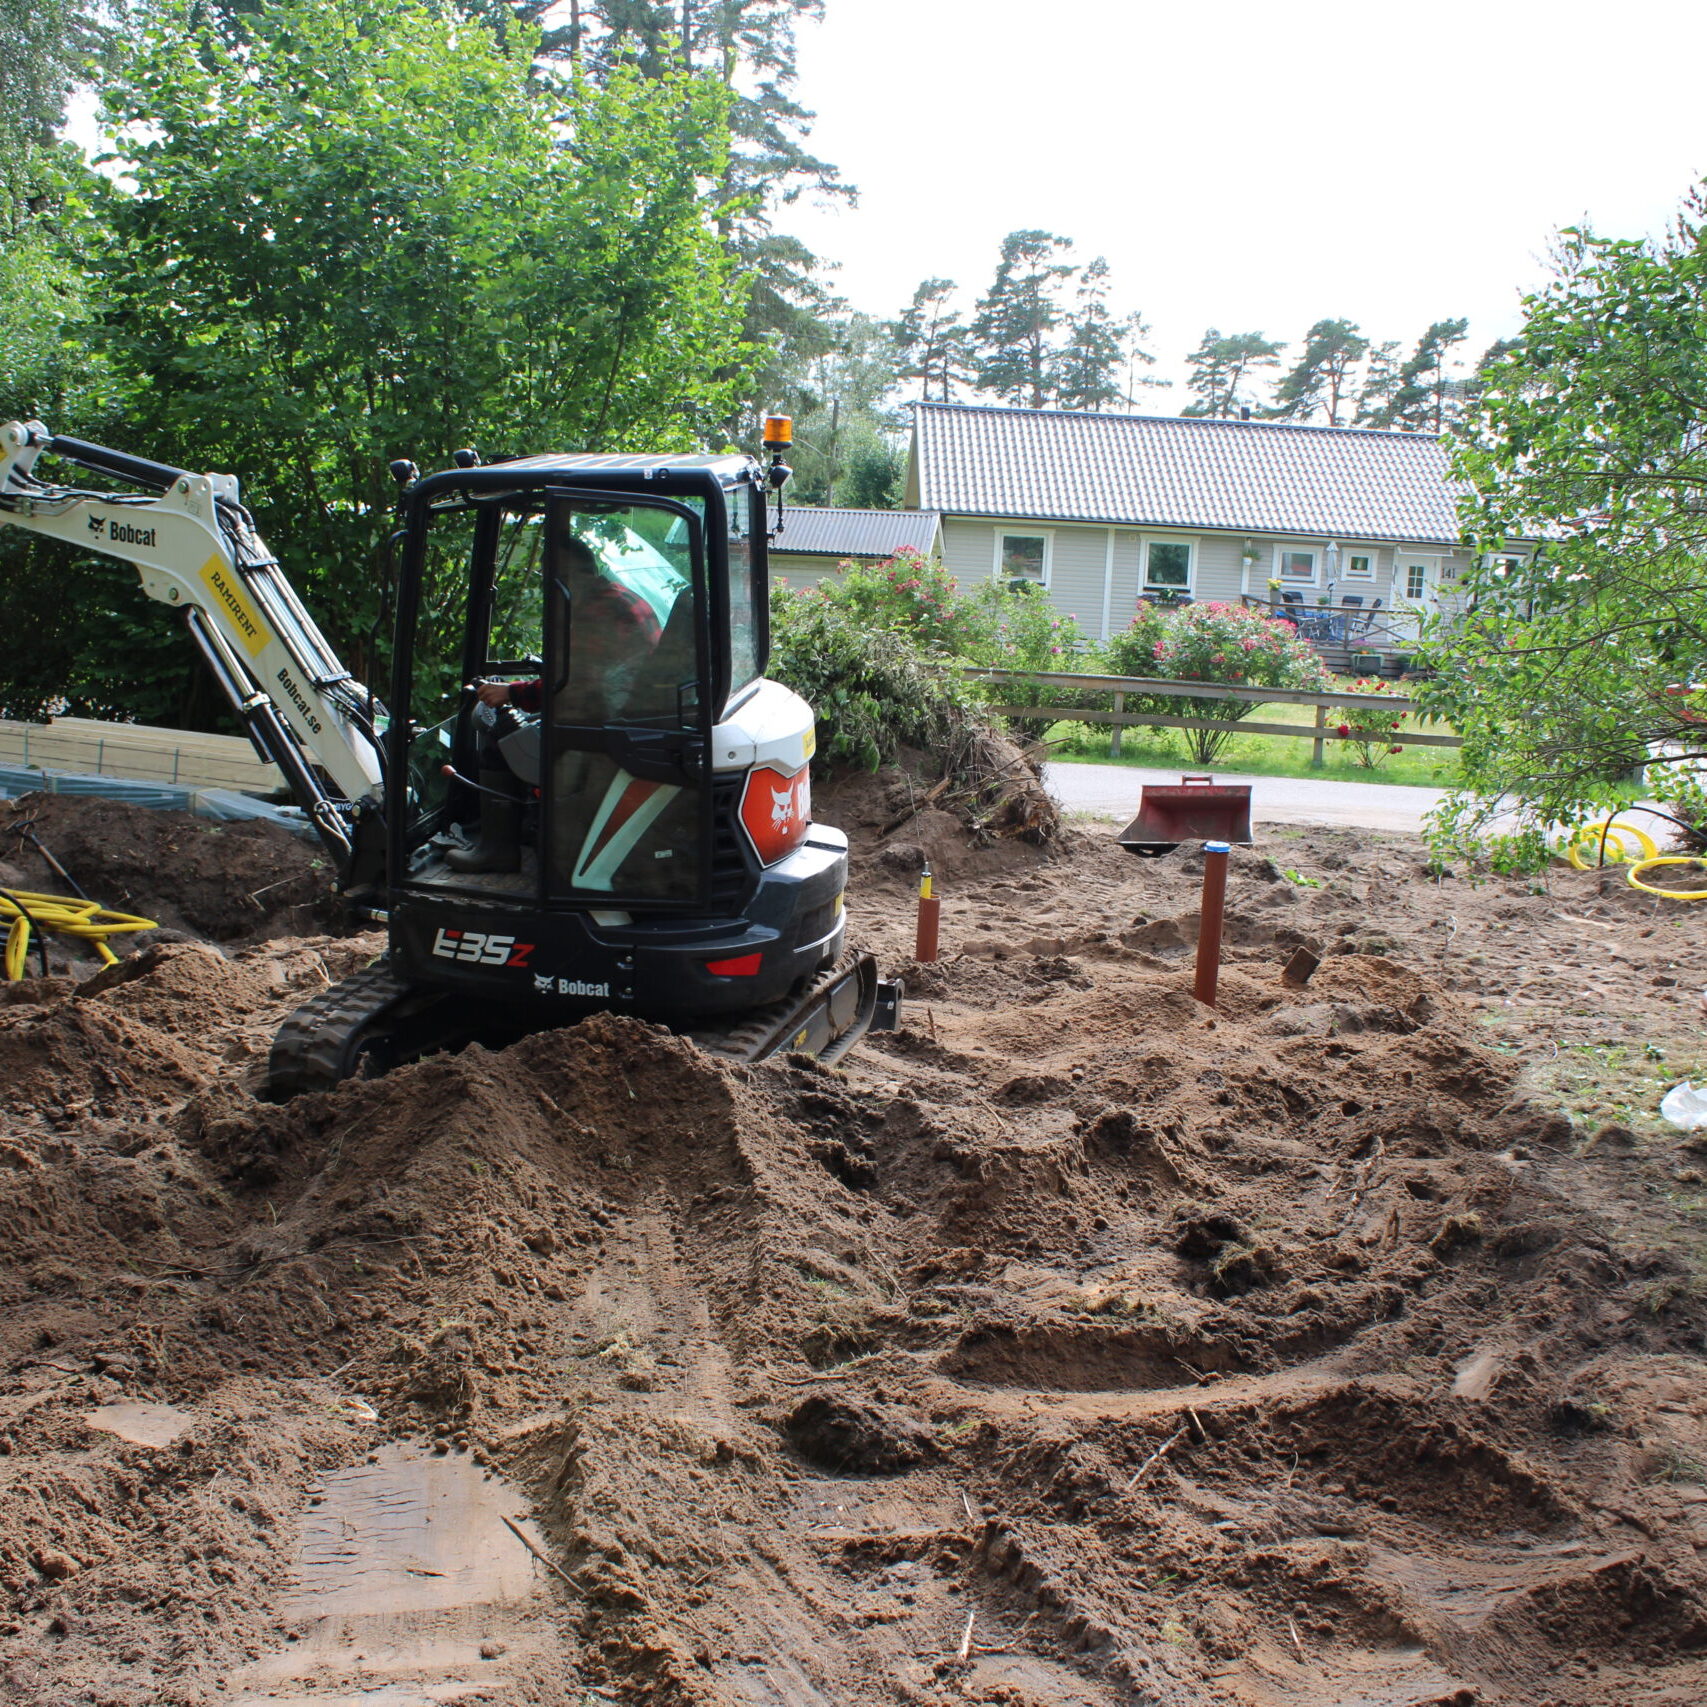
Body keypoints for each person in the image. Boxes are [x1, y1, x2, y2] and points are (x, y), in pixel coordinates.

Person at [447, 534, 661, 874]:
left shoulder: (598, 612)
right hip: (623, 712)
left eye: (551, 578)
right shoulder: (621, 597)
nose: (547, 588)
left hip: (603, 728)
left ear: (570, 576)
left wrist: (512, 694)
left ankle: (498, 850)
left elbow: (575, 685)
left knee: (499, 742)